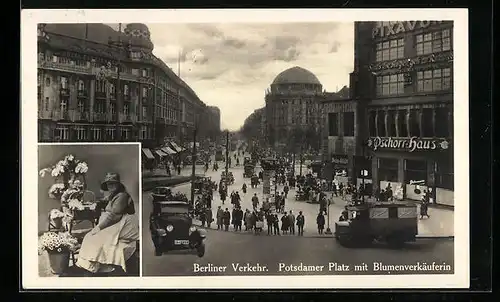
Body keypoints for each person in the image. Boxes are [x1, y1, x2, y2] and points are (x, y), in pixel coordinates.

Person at [76, 172, 139, 274]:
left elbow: (115, 216)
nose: (111, 186)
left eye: (113, 184)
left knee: (93, 236)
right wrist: (97, 203)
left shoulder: (122, 196)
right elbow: (105, 201)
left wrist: (99, 227)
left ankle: (96, 265)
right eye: (109, 184)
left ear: (118, 185)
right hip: (117, 223)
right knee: (90, 236)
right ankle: (94, 264)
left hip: (124, 225)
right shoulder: (114, 195)